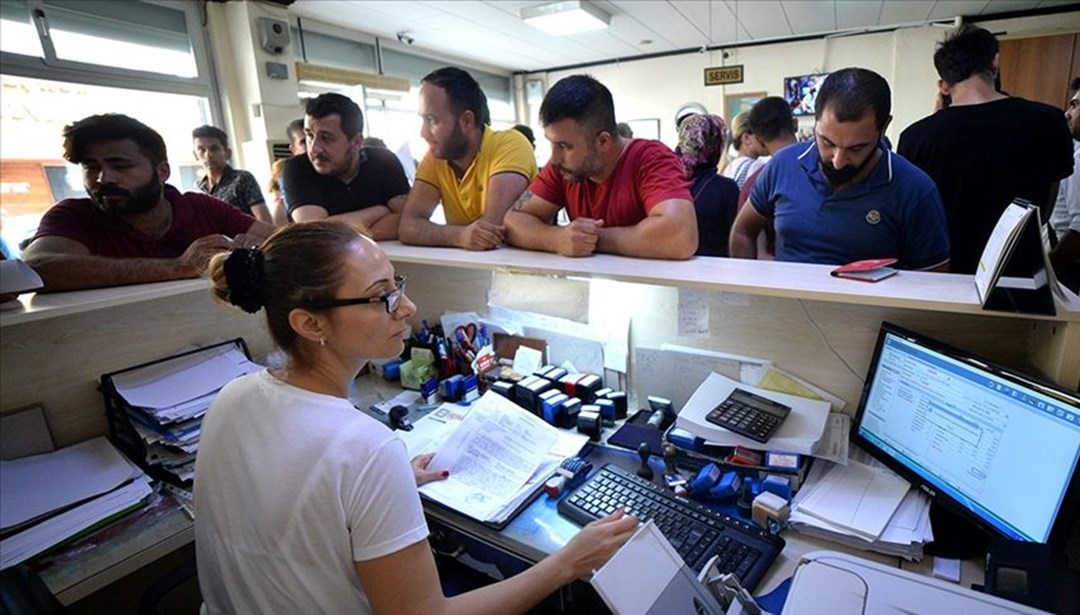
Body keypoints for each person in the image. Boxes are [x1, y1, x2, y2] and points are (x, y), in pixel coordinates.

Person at [196, 220, 638, 613]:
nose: (405, 307)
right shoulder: (366, 449)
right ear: (311, 324)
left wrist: (378, 490)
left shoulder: (231, 396)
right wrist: (567, 562)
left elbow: (294, 505)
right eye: (380, 297)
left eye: (396, 284)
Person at [729, 68, 950, 271]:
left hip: (868, 314)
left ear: (884, 128)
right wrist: (749, 294)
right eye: (827, 142)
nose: (838, 160)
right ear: (815, 122)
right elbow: (743, 232)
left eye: (856, 148)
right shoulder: (783, 165)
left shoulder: (915, 189)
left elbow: (933, 280)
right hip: (786, 312)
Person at [22, 114, 273, 292]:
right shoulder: (73, 215)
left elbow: (282, 237)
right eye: (91, 167)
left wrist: (261, 250)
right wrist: (177, 267)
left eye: (121, 166)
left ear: (162, 172)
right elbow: (36, 269)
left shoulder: (201, 207)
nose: (104, 178)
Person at [898, 25, 1073, 274]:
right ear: (995, 63)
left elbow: (916, 216)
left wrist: (937, 120)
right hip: (1018, 274)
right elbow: (1045, 211)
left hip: (943, 275)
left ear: (944, 85)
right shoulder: (1049, 121)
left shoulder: (915, 137)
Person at [505, 75, 697, 259]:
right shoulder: (563, 167)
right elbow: (513, 220)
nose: (554, 158)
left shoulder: (651, 158)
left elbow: (680, 236)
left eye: (565, 146)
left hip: (653, 289)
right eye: (552, 143)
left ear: (603, 142)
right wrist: (556, 239)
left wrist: (590, 238)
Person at [399, 67, 537, 250]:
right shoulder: (435, 157)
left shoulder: (509, 144)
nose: (423, 133)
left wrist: (448, 235)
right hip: (474, 271)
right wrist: (459, 236)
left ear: (467, 121)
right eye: (423, 120)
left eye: (432, 120)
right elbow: (408, 227)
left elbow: (491, 231)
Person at [282, 93, 409, 240]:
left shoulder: (383, 161)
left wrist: (338, 229)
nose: (314, 148)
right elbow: (316, 235)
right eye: (309, 136)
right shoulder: (298, 168)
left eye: (326, 138)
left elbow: (408, 219)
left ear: (356, 142)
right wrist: (379, 211)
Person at [676, 113, 739, 256]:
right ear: (716, 144)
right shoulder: (726, 189)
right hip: (713, 272)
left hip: (670, 268)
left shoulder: (665, 181)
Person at [192, 125, 271, 223]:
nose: (208, 155)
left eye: (214, 149)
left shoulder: (242, 179)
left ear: (228, 153)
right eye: (201, 150)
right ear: (195, 155)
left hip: (244, 236)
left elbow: (264, 220)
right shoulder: (197, 189)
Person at [1050, 78, 1080, 291]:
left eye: (1076, 105)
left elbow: (1078, 231)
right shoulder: (1075, 150)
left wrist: (1048, 267)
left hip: (1070, 267)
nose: (1067, 113)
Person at [721, 111, 767, 189]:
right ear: (747, 138)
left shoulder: (728, 168)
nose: (767, 137)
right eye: (762, 133)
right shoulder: (757, 167)